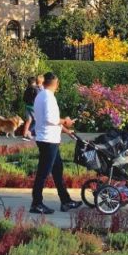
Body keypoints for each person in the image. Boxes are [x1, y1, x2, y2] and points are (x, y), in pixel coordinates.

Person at [30, 72, 81, 215]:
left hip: (47, 138)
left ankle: (65, 200)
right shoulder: (48, 97)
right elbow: (50, 119)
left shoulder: (40, 95)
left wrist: (66, 130)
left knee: (57, 170)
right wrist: (66, 121)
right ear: (56, 83)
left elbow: (48, 119)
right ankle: (36, 203)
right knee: (43, 173)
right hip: (48, 140)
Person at [20, 76, 40, 141]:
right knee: (36, 121)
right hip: (33, 107)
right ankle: (28, 132)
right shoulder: (36, 89)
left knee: (28, 121)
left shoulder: (27, 89)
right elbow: (38, 97)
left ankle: (24, 135)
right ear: (34, 82)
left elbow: (24, 99)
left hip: (27, 106)